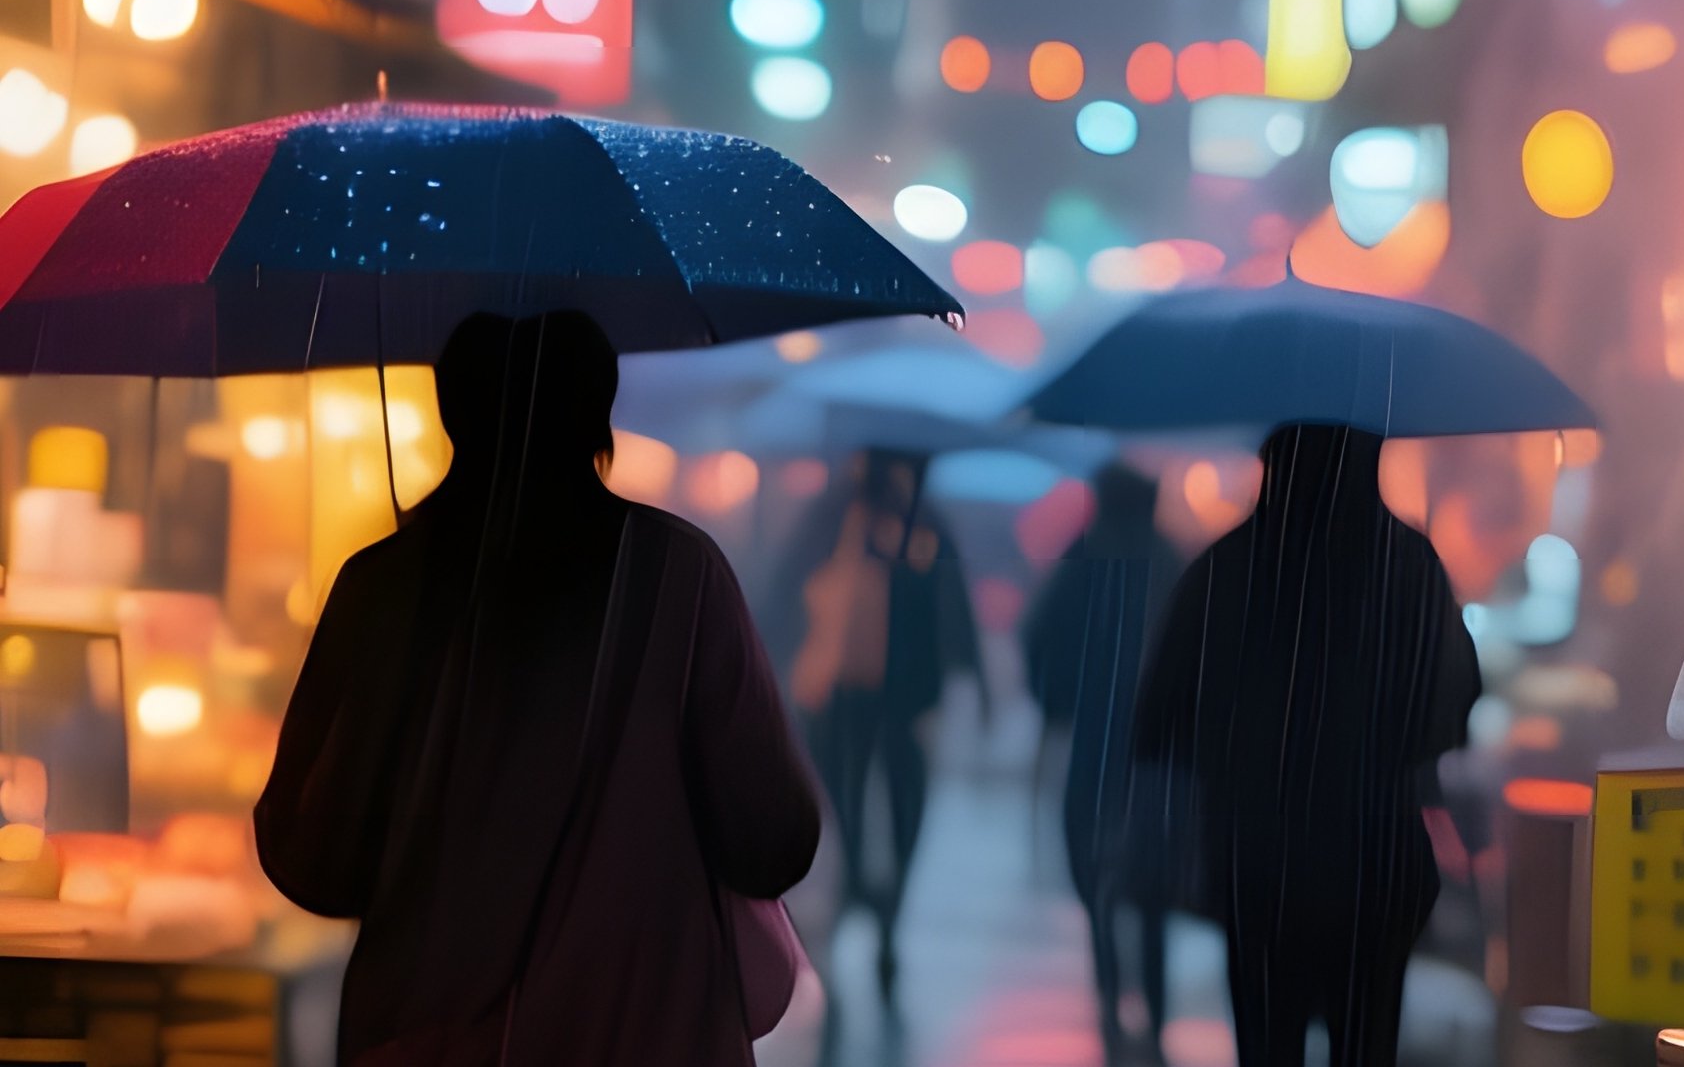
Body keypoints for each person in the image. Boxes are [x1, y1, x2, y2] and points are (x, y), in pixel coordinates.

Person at [254, 311, 821, 1067]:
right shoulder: (679, 580)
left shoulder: (383, 586)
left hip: (421, 1035)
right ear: (599, 415)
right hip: (648, 1030)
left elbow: (309, 860)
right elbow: (774, 841)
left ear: (451, 412)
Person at [1134, 422, 1480, 1067]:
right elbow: (1454, 710)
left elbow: (1159, 717)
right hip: (1373, 867)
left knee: (1267, 1044)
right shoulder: (1408, 565)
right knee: (1365, 1046)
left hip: (1257, 869)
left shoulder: (1228, 568)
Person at [771, 449, 985, 1006]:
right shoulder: (842, 513)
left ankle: (879, 911)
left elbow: (950, 601)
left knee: (895, 807)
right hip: (846, 695)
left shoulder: (917, 518)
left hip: (895, 697)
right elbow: (788, 590)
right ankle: (861, 904)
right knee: (849, 809)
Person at [1024, 462, 1182, 1065]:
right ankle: (1158, 1016)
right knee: (1154, 890)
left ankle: (1112, 997)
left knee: (1096, 878)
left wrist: (1057, 703)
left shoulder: (1083, 556)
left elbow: (1038, 637)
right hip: (1159, 757)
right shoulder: (1171, 561)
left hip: (1094, 744)